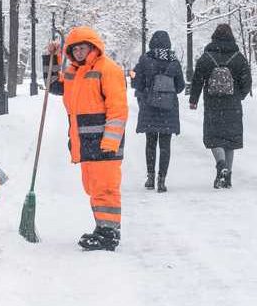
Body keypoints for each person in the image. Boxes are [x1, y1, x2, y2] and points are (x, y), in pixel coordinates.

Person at [44, 26, 128, 251]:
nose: (79, 52)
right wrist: (52, 57)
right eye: (75, 49)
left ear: (92, 47)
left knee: (106, 187)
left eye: (82, 48)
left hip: (104, 142)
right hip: (85, 143)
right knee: (92, 187)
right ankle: (102, 227)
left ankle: (109, 234)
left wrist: (110, 141)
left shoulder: (107, 69)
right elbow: (53, 85)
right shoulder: (73, 72)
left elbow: (117, 109)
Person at [189, 24, 251, 189]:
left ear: (214, 37)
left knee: (214, 137)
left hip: (213, 104)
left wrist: (193, 99)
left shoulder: (207, 57)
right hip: (233, 105)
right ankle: (227, 177)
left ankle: (221, 164)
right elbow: (247, 82)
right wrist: (239, 95)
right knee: (230, 140)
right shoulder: (239, 57)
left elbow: (197, 80)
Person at [131, 30, 185, 192]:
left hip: (150, 106)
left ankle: (150, 177)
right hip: (169, 108)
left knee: (151, 143)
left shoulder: (145, 60)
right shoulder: (174, 62)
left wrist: (146, 91)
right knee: (165, 145)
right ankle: (162, 180)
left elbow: (137, 84)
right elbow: (181, 86)